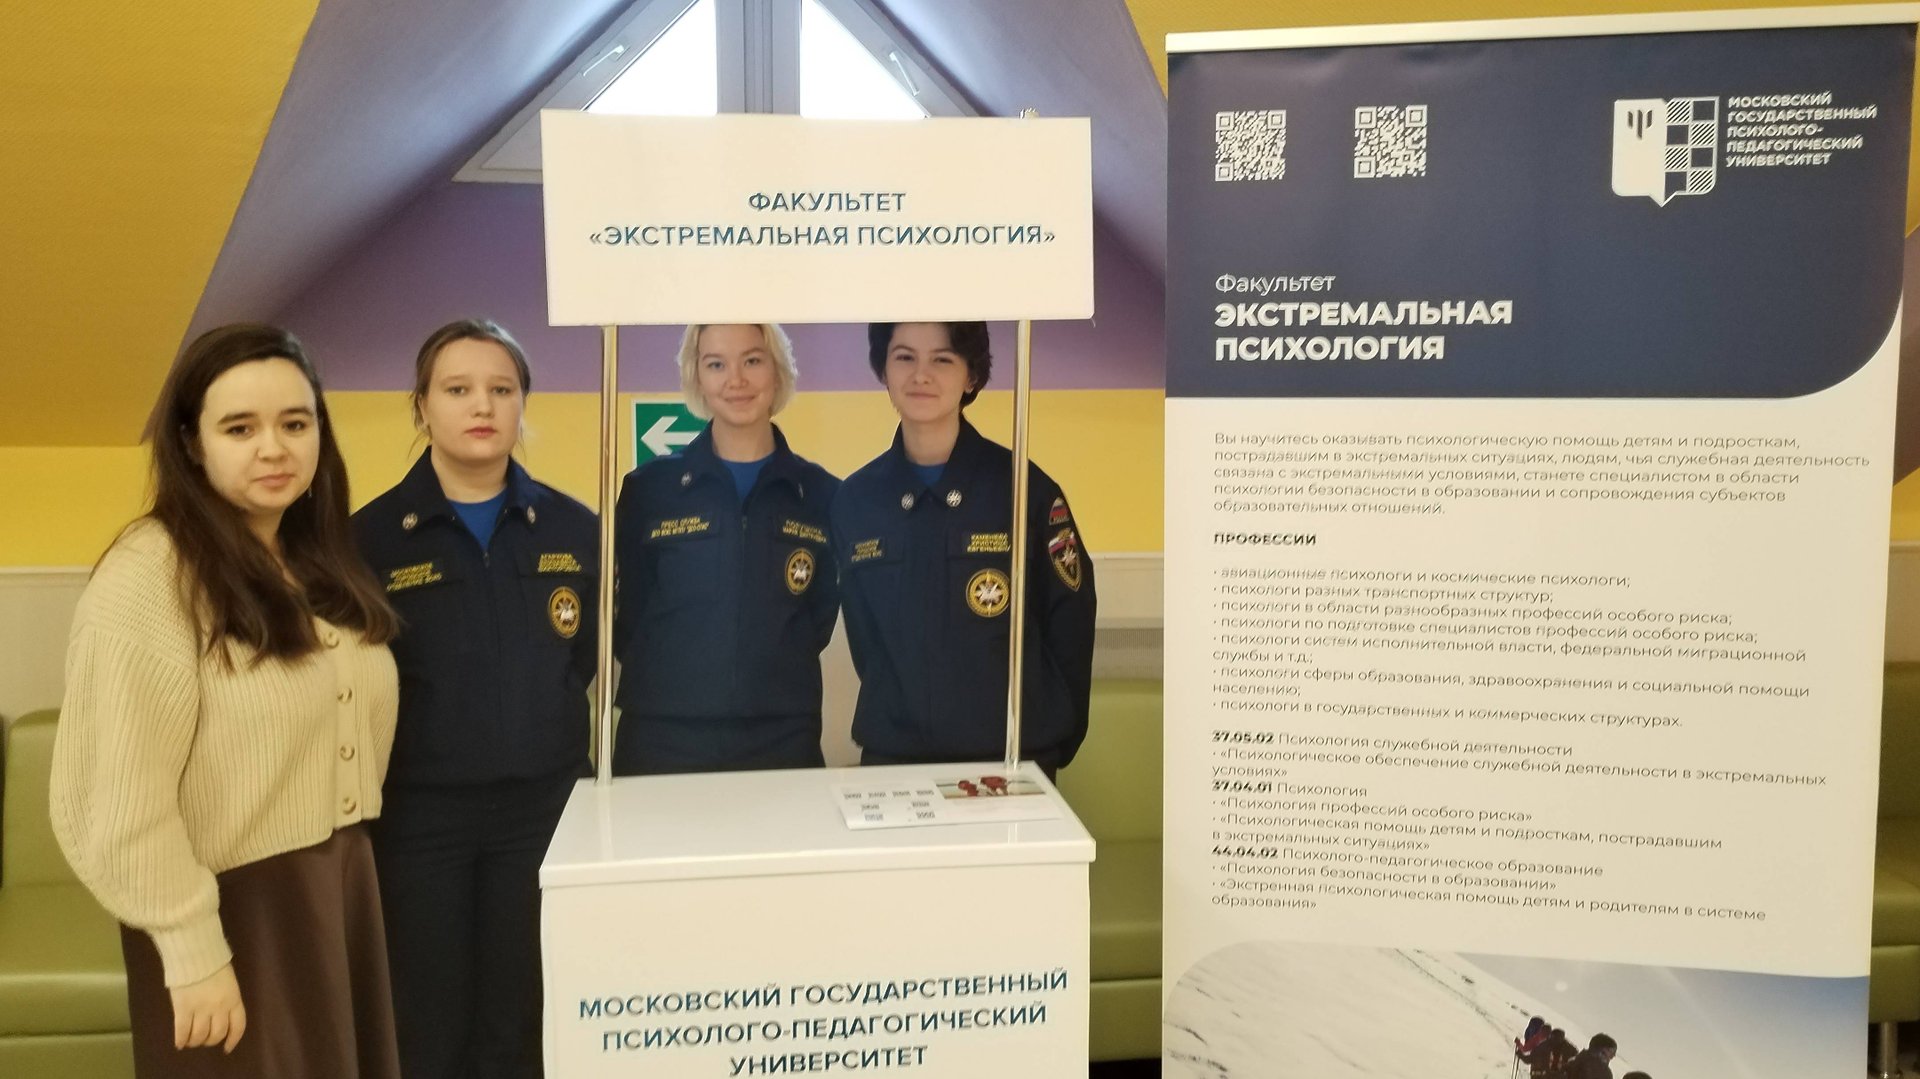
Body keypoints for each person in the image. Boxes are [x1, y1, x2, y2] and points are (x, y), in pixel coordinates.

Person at [50, 323, 401, 1076]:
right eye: (240, 428)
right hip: (233, 911)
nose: (274, 448)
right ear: (191, 443)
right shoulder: (151, 574)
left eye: (295, 424)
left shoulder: (318, 560)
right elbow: (117, 796)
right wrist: (191, 948)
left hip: (337, 888)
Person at [353, 319, 598, 1079]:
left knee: (523, 1016)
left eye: (502, 388)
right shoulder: (368, 540)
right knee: (428, 1020)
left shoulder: (575, 528)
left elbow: (584, 659)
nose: (482, 405)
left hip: (544, 813)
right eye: (457, 389)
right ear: (422, 405)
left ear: (524, 402)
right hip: (421, 821)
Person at [832, 321, 1097, 777]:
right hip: (895, 758)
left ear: (971, 375)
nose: (921, 375)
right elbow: (866, 638)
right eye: (904, 357)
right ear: (883, 370)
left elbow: (1070, 620)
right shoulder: (856, 500)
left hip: (1011, 757)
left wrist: (1053, 738)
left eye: (943, 359)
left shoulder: (1023, 489)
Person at [612, 323, 839, 773]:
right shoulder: (648, 490)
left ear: (777, 370)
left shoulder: (821, 494)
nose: (736, 380)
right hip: (661, 736)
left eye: (752, 360)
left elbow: (818, 619)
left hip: (782, 736)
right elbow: (629, 616)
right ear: (697, 376)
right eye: (716, 364)